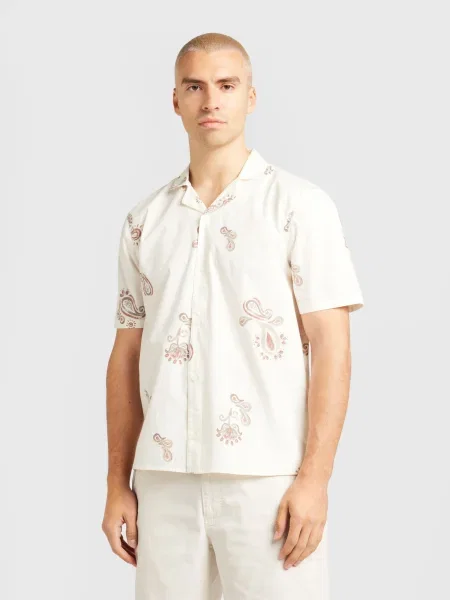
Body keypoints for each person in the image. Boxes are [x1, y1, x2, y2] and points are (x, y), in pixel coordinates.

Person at [102, 32, 365, 600]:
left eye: (226, 85)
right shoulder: (144, 221)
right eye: (195, 87)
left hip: (267, 479)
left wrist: (315, 479)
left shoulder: (298, 207)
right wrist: (117, 481)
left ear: (251, 96)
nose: (211, 101)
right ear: (175, 100)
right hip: (164, 480)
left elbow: (333, 347)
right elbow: (127, 354)